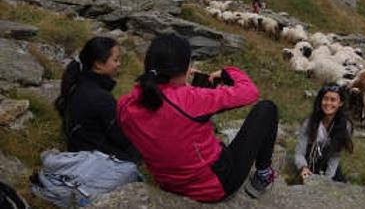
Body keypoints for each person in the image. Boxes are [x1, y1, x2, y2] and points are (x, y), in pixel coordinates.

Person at [117, 34, 279, 202]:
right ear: (185, 68)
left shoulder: (125, 105)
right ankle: (263, 174)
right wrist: (226, 72)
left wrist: (180, 86)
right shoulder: (191, 100)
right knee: (267, 109)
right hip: (216, 185)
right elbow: (250, 92)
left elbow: (165, 120)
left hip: (170, 184)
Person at [54, 37, 140, 163]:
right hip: (97, 160)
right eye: (115, 60)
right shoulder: (101, 98)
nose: (119, 64)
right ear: (99, 64)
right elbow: (122, 139)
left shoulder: (77, 85)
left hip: (79, 153)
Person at [294, 84, 353, 183]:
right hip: (307, 163)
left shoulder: (345, 126)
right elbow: (299, 152)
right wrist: (303, 167)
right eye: (325, 99)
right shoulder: (309, 122)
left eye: (333, 100)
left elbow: (335, 156)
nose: (328, 103)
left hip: (329, 165)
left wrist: (327, 180)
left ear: (340, 103)